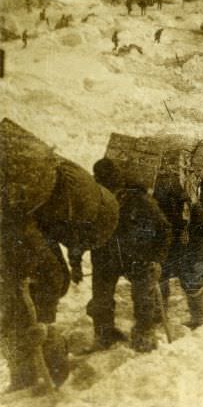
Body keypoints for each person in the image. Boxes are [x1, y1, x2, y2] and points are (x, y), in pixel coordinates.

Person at [1, 129, 119, 392]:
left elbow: (52, 271)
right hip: (21, 269)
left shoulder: (26, 219)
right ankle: (27, 377)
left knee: (22, 320)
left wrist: (43, 321)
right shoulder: (29, 210)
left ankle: (44, 376)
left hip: (25, 274)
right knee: (14, 320)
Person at [88, 159, 172, 352]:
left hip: (137, 257)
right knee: (101, 301)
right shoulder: (94, 199)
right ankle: (104, 335)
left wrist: (156, 259)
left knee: (143, 300)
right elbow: (83, 227)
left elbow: (164, 228)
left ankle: (144, 335)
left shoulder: (139, 200)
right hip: (105, 258)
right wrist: (76, 260)